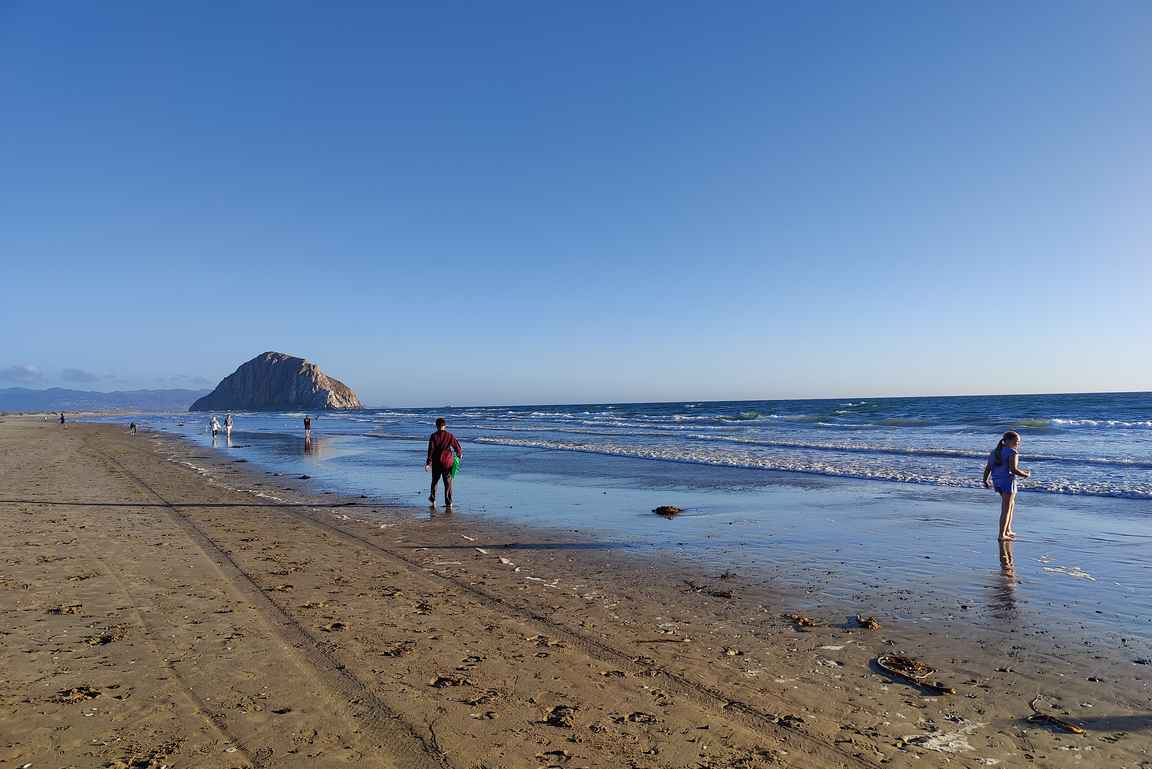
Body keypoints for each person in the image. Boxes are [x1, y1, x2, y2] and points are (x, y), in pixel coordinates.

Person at [983, 430, 1030, 541]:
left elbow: (988, 468)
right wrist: (1025, 474)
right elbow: (1014, 470)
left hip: (997, 481)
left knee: (1011, 505)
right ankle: (1001, 534)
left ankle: (1007, 530)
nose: (1018, 443)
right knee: (1006, 509)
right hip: (1007, 482)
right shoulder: (1012, 452)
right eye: (1016, 441)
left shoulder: (994, 452)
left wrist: (985, 480)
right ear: (1008, 441)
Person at [425, 417, 462, 507]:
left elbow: (431, 450)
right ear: (445, 426)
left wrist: (428, 463)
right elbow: (457, 447)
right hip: (447, 462)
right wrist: (459, 455)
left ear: (436, 425)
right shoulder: (450, 435)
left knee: (435, 481)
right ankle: (449, 502)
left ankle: (433, 499)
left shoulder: (433, 436)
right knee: (448, 482)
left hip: (437, 461)